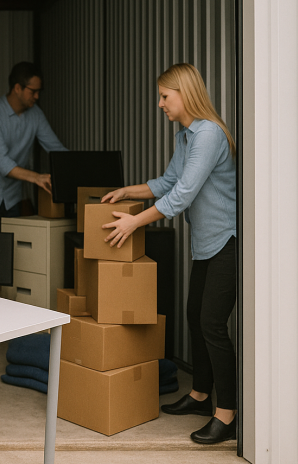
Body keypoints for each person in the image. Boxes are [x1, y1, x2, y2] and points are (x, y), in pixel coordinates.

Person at [100, 63, 237, 445]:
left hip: (227, 240)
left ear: (184, 93)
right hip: (206, 243)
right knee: (195, 316)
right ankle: (201, 395)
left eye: (164, 96)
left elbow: (182, 195)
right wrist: (127, 191)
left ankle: (227, 414)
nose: (160, 104)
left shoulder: (208, 134)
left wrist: (134, 222)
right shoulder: (185, 137)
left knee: (212, 324)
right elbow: (168, 182)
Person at [0, 61, 68, 233]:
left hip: (12, 196)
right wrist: (37, 178)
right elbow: (1, 161)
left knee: (15, 248)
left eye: (39, 91)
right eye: (33, 91)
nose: (37, 96)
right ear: (17, 88)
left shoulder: (36, 115)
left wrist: (77, 169)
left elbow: (55, 148)